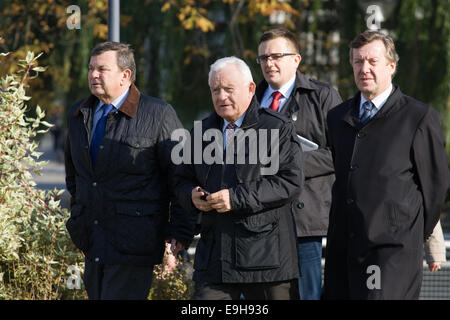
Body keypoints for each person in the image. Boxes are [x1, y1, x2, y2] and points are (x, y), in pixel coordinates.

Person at [64, 42, 195, 300]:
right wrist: (78, 218)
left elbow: (182, 174)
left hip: (134, 241)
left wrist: (179, 231)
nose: (93, 75)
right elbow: (75, 176)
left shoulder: (157, 114)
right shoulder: (79, 114)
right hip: (92, 239)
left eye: (102, 69)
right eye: (91, 69)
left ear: (125, 75)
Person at [323, 30, 449, 300]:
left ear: (391, 66)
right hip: (342, 249)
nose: (364, 69)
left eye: (372, 61)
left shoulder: (418, 117)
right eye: (358, 62)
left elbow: (435, 189)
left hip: (390, 252)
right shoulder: (337, 118)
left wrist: (406, 231)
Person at [173, 56, 304, 300]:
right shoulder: (200, 132)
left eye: (228, 89)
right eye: (215, 90)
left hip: (266, 262)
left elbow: (289, 182)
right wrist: (190, 196)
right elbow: (181, 180)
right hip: (215, 260)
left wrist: (235, 198)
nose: (221, 97)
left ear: (250, 88)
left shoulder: (276, 128)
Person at [255, 28, 342, 300]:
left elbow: (342, 154)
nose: (270, 63)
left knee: (307, 295)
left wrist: (290, 162)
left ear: (296, 59)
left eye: (277, 56)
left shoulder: (323, 96)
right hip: (257, 218)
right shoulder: (249, 99)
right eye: (263, 58)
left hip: (304, 221)